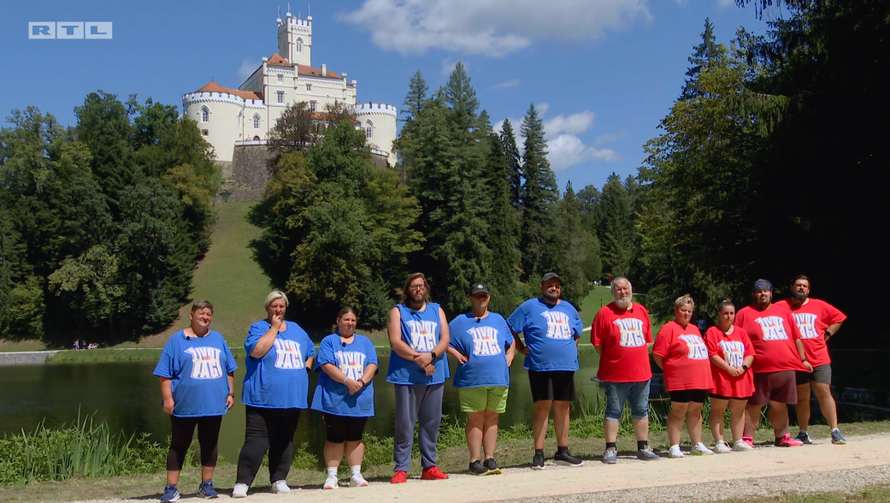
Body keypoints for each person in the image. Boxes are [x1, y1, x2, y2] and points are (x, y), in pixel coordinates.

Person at [232, 291, 315, 498]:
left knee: (284, 440)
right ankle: (243, 482)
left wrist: (304, 371)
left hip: (292, 398)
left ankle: (278, 479)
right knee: (256, 441)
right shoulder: (259, 328)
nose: (278, 310)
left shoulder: (297, 330)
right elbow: (257, 351)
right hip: (262, 398)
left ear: (286, 307)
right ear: (267, 308)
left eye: (281, 306)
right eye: (274, 306)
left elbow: (310, 352)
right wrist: (275, 328)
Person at [153, 301, 237, 502]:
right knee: (179, 444)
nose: (205, 317)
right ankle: (171, 487)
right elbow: (164, 373)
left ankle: (206, 485)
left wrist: (230, 393)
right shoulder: (177, 340)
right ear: (192, 315)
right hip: (184, 404)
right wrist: (167, 398)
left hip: (213, 404)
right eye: (201, 313)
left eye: (208, 313)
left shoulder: (218, 339)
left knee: (209, 444)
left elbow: (229, 369)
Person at [508, 272, 585, 469]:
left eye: (557, 285)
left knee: (563, 408)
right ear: (541, 288)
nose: (554, 288)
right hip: (540, 366)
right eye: (550, 285)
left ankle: (562, 451)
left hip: (566, 366)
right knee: (542, 407)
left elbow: (577, 332)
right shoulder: (529, 306)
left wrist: (571, 348)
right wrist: (519, 347)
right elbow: (510, 326)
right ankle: (539, 453)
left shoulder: (569, 308)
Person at [387, 273, 451, 483]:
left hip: (435, 374)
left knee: (431, 423)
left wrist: (431, 356)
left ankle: (429, 466)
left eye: (421, 286)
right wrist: (419, 359)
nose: (418, 289)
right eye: (414, 286)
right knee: (405, 424)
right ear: (407, 290)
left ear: (426, 288)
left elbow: (445, 339)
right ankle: (401, 468)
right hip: (407, 376)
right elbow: (395, 342)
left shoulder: (437, 309)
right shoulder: (398, 311)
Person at [447, 283, 515, 475]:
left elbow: (511, 342)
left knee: (492, 418)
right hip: (472, 378)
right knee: (476, 419)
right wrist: (455, 353)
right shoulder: (460, 321)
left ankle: (490, 458)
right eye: (477, 296)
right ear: (471, 299)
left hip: (498, 377)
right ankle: (474, 461)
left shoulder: (499, 319)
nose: (481, 298)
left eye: (484, 295)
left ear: (489, 297)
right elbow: (442, 339)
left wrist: (510, 354)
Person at [735, 279, 812, 448]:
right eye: (759, 291)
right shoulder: (744, 313)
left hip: (785, 368)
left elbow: (796, 337)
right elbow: (736, 338)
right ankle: (747, 437)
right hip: (759, 369)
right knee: (755, 404)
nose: (763, 294)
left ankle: (782, 436)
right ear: (754, 295)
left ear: (771, 293)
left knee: (780, 404)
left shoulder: (783, 312)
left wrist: (803, 359)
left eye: (766, 291)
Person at [591, 277, 660, 463]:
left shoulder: (641, 311)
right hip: (615, 374)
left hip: (642, 373)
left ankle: (643, 446)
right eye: (618, 289)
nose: (622, 292)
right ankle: (611, 449)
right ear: (612, 292)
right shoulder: (604, 314)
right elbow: (598, 345)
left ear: (631, 290)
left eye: (625, 288)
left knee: (641, 410)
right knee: (613, 411)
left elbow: (646, 341)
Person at [311, 307, 379, 489]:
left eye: (353, 320)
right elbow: (325, 365)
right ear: (338, 320)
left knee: (355, 436)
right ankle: (332, 476)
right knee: (335, 436)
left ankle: (355, 474)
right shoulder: (329, 341)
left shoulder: (365, 342)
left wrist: (361, 382)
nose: (350, 323)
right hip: (335, 399)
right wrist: (348, 381)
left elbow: (372, 364)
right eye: (346, 319)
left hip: (360, 398)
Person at [777, 275, 848, 445]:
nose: (801, 288)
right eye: (798, 285)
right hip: (795, 359)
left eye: (804, 286)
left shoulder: (819, 305)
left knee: (824, 392)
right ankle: (803, 432)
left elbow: (839, 318)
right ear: (792, 287)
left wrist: (828, 334)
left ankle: (835, 430)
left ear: (808, 290)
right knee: (802, 397)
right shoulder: (781, 306)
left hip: (819, 357)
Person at [652, 295, 714, 458]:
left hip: (699, 378)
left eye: (689, 311)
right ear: (676, 310)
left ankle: (696, 444)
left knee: (696, 410)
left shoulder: (694, 329)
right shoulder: (668, 329)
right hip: (680, 379)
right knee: (679, 410)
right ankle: (674, 445)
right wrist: (670, 370)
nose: (686, 314)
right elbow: (658, 354)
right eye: (683, 310)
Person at [705, 300, 755, 453]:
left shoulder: (741, 333)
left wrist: (743, 367)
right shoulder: (712, 332)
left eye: (731, 313)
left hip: (741, 377)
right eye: (725, 313)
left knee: (738, 410)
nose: (728, 316)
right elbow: (711, 354)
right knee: (718, 409)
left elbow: (750, 353)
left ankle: (738, 440)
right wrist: (727, 367)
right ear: (720, 314)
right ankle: (719, 441)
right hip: (721, 377)